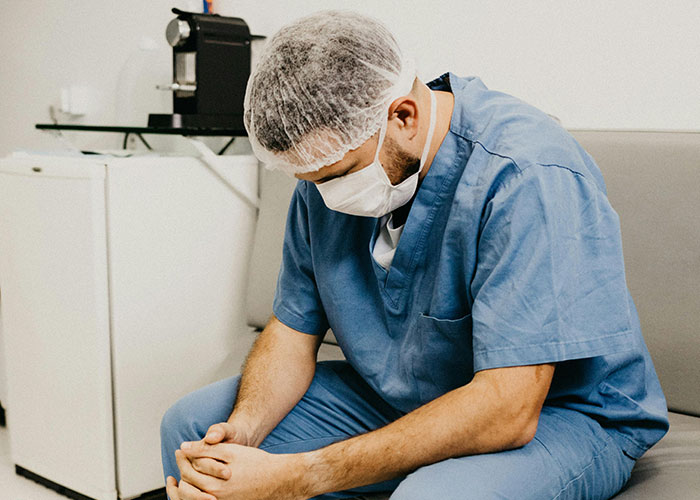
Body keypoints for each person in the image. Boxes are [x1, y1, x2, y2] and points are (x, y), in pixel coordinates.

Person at [160, 10, 668, 500]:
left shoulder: (525, 174)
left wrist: (300, 475)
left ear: (402, 115)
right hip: (404, 396)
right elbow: (292, 331)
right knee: (193, 431)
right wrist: (243, 432)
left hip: (564, 413)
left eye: (338, 176)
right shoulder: (326, 174)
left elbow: (508, 409)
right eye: (311, 181)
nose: (328, 196)